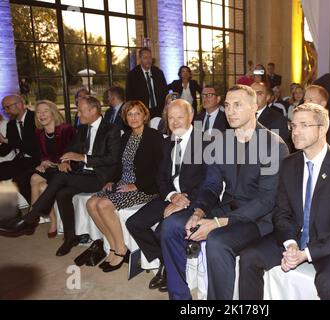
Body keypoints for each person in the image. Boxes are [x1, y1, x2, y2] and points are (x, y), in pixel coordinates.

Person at [160, 84, 289, 300]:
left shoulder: (273, 144)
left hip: (259, 220)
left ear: (254, 107)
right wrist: (199, 212)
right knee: (171, 225)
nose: (230, 111)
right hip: (228, 208)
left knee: (217, 241)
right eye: (228, 105)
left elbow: (265, 202)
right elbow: (211, 185)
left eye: (238, 105)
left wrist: (218, 223)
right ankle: (180, 297)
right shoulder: (222, 141)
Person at [239, 103, 330, 300]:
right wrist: (290, 243)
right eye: (293, 125)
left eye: (304, 125)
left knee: (328, 283)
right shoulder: (289, 164)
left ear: (323, 129)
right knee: (249, 257)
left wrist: (305, 254)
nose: (296, 131)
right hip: (295, 235)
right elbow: (281, 213)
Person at [0, 96, 121, 258]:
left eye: (80, 110)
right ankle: (70, 238)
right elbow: (70, 149)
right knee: (61, 193)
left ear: (93, 111)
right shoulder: (83, 128)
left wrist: (83, 158)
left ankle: (30, 218)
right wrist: (65, 160)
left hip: (100, 177)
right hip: (83, 173)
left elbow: (112, 159)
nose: (77, 114)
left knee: (60, 178)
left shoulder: (111, 129)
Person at [126, 99, 206, 292]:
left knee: (163, 232)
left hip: (192, 199)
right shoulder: (167, 142)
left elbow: (210, 182)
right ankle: (164, 260)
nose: (175, 122)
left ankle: (171, 270)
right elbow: (160, 177)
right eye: (171, 118)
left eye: (180, 117)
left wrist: (184, 201)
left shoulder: (206, 142)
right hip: (170, 196)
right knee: (134, 224)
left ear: (191, 117)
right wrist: (171, 196)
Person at [86, 101, 163, 272]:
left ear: (145, 116)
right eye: (130, 114)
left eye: (137, 113)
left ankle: (121, 249)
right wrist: (111, 180)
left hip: (145, 187)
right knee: (91, 203)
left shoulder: (154, 136)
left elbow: (159, 170)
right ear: (125, 118)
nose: (134, 117)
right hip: (123, 182)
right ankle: (113, 246)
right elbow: (119, 166)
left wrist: (136, 185)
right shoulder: (125, 136)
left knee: (103, 204)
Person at [31, 100, 76, 238]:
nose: (41, 115)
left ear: (53, 112)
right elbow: (44, 155)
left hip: (66, 169)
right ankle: (52, 220)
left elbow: (73, 152)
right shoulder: (39, 132)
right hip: (51, 168)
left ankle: (32, 216)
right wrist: (43, 163)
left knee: (35, 179)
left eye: (45, 111)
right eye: (38, 112)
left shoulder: (66, 129)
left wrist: (56, 163)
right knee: (40, 184)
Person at [0, 94, 40, 203]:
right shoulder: (11, 124)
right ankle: (10, 212)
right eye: (4, 108)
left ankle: (37, 211)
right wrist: (3, 142)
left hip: (38, 159)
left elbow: (33, 146)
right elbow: (6, 149)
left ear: (19, 105)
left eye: (7, 107)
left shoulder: (36, 118)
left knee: (20, 180)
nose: (6, 111)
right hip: (22, 161)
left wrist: (7, 140)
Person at [126, 47, 168, 118]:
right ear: (140, 59)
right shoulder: (133, 75)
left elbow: (165, 91)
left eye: (150, 57)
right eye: (145, 58)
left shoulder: (158, 72)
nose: (148, 60)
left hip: (159, 110)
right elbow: (129, 96)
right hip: (142, 111)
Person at [252, 81, 291, 149]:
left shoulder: (278, 119)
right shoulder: (240, 117)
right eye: (251, 93)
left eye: (259, 93)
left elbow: (281, 150)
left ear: (267, 97)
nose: (254, 97)